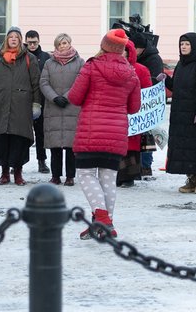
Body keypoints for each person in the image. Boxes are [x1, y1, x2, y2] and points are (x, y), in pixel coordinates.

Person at [66, 28, 142, 237]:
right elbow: (134, 107)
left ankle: (102, 219)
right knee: (108, 179)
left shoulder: (91, 67)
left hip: (91, 131)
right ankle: (103, 225)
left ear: (104, 46)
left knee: (86, 174)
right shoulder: (131, 73)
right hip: (116, 133)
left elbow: (74, 97)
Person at [0, 26, 42, 186]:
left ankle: (19, 174)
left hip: (21, 107)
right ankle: (4, 173)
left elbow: (36, 83)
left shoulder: (29, 58)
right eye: (11, 37)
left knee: (18, 140)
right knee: (2, 139)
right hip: (0, 106)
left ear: (21, 40)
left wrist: (36, 104)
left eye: (16, 37)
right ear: (7, 39)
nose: (13, 39)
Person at [164, 32, 196, 195]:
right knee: (185, 148)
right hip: (181, 114)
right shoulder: (181, 64)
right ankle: (190, 179)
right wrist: (164, 79)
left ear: (194, 46)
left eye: (187, 44)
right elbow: (176, 87)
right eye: (181, 44)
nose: (184, 47)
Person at [38, 33, 83, 186]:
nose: (63, 46)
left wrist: (67, 96)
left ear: (70, 43)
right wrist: (55, 97)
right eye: (60, 44)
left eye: (65, 43)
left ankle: (70, 176)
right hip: (54, 107)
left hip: (72, 107)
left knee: (71, 146)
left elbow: (81, 82)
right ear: (56, 46)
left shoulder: (79, 62)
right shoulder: (49, 63)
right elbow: (43, 83)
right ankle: (55, 175)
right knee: (55, 145)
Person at [117, 40, 154, 187]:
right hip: (117, 111)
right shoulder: (112, 67)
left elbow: (147, 92)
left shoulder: (141, 69)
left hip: (134, 114)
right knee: (117, 145)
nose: (121, 53)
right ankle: (117, 176)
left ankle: (129, 176)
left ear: (129, 52)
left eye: (123, 50)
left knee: (131, 147)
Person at [24, 29, 49, 173]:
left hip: (41, 100)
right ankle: (18, 163)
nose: (32, 45)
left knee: (41, 134)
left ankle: (42, 161)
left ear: (39, 41)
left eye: (35, 42)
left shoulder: (46, 57)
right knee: (22, 134)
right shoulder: (22, 56)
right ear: (26, 42)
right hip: (23, 100)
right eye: (30, 42)